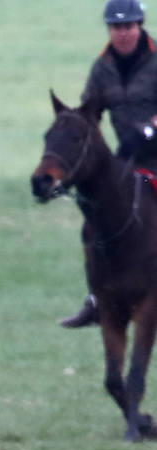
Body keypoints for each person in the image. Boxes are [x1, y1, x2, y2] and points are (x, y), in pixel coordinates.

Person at [62, 0, 157, 327]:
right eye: (116, 27)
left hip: (152, 151)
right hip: (128, 159)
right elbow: (90, 112)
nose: (123, 33)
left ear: (140, 26)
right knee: (95, 220)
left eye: (129, 26)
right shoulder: (102, 68)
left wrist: (148, 131)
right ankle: (96, 298)